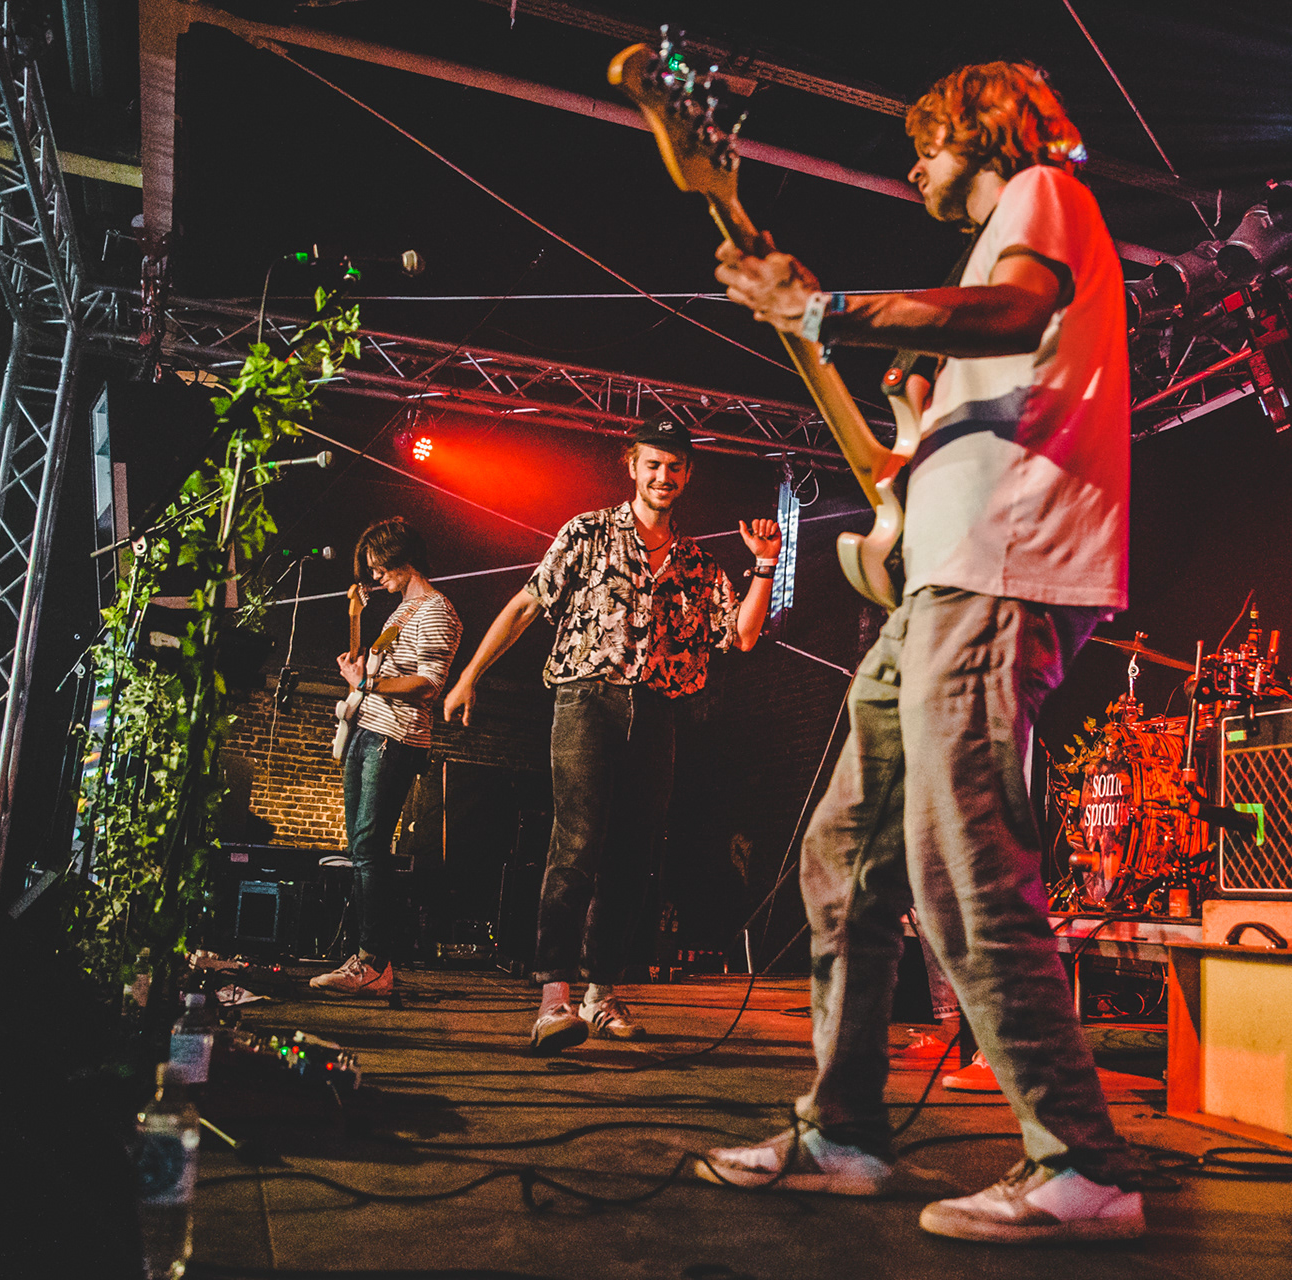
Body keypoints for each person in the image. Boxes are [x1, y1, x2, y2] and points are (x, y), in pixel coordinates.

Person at [705, 61, 1146, 1245]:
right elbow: (926, 449)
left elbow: (1013, 313)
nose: (912, 167)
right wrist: (888, 409)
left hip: (1000, 577)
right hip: (941, 585)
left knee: (963, 864)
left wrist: (826, 308)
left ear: (986, 132)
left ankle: (1083, 1163)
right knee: (844, 853)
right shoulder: (998, 254)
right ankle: (843, 1132)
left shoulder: (1042, 195)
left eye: (931, 143)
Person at [443, 418, 780, 1052]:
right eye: (653, 464)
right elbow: (526, 604)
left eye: (674, 466)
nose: (663, 476)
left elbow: (740, 635)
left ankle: (602, 993)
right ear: (632, 466)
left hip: (655, 711)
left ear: (687, 475)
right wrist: (469, 677)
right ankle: (554, 998)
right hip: (586, 700)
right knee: (576, 844)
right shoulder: (588, 532)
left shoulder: (698, 564)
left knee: (632, 857)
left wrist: (765, 564)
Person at [312, 517, 463, 996]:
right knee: (361, 848)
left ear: (405, 558)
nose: (375, 576)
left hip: (394, 739)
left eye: (379, 567)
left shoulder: (436, 610)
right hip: (366, 730)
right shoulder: (401, 611)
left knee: (369, 846)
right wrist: (355, 617)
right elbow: (366, 670)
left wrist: (367, 683)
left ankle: (374, 961)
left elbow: (429, 684)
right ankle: (369, 960)